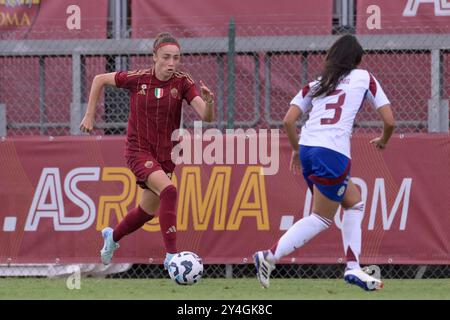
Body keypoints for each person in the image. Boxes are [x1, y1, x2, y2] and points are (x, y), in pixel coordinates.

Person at [253, 34, 395, 291]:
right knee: (321, 218)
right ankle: (269, 256)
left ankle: (353, 268)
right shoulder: (365, 78)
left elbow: (288, 120)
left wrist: (296, 150)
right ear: (358, 60)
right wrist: (384, 140)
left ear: (331, 57)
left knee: (354, 202)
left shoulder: (317, 84)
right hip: (332, 152)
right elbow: (390, 121)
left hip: (308, 148)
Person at [80, 32, 215, 271]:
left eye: (176, 58)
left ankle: (112, 238)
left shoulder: (183, 82)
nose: (171, 63)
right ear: (154, 57)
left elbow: (206, 117)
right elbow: (99, 79)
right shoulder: (138, 79)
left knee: (146, 211)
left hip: (166, 156)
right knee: (170, 191)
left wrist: (210, 103)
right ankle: (173, 257)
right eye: (166, 57)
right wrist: (90, 114)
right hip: (138, 151)